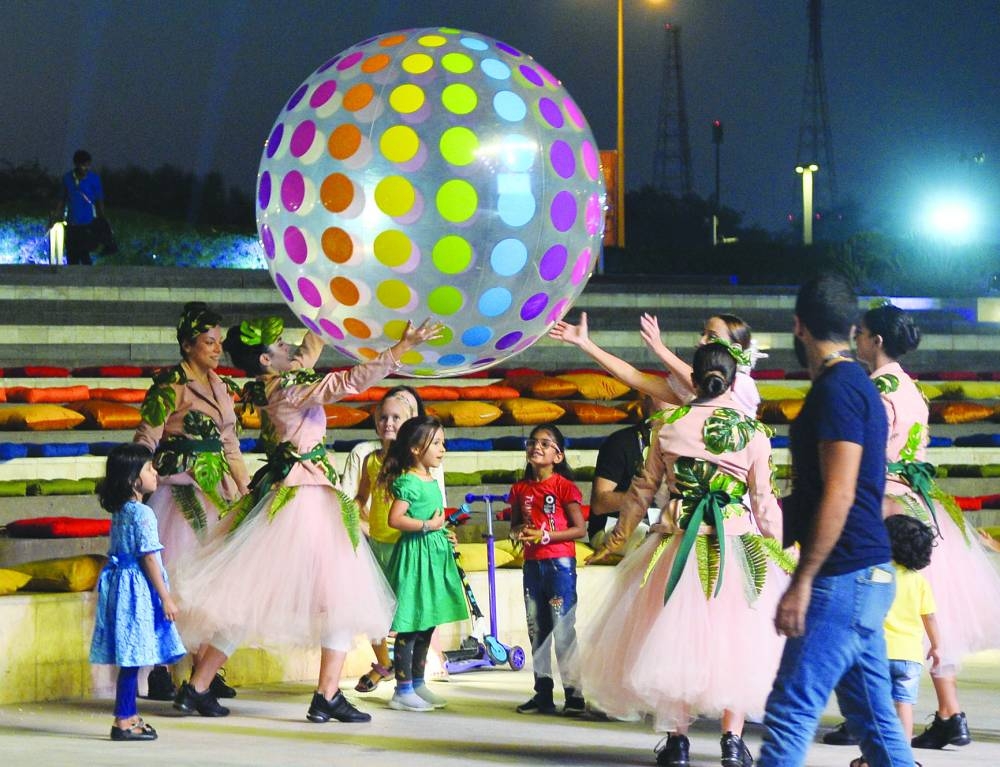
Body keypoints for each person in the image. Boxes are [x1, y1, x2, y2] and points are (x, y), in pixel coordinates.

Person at [170, 316, 441, 722]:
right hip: (307, 499)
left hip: (287, 495)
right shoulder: (292, 390)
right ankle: (326, 695)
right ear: (266, 358)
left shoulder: (273, 383)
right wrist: (400, 350)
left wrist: (322, 307)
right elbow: (346, 382)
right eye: (280, 344)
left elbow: (309, 350)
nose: (289, 348)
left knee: (251, 597)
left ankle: (197, 687)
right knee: (339, 595)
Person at [585, 341, 789, 767]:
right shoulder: (752, 433)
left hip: (677, 545)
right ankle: (732, 742)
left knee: (672, 643)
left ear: (692, 380)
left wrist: (618, 537)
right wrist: (783, 546)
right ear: (734, 382)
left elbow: (641, 490)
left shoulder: (671, 424)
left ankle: (677, 741)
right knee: (738, 642)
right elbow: (764, 502)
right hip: (733, 545)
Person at [757, 274, 915, 767]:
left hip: (843, 575)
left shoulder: (839, 391)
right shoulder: (852, 385)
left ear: (798, 326)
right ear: (851, 327)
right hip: (866, 574)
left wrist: (804, 580)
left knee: (790, 712)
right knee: (875, 721)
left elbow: (841, 491)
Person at [851, 302, 1000, 750]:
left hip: (885, 499)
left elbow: (870, 450)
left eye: (861, 333)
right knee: (928, 607)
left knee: (879, 603)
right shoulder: (911, 387)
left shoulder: (877, 388)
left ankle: (876, 708)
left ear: (876, 341)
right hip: (916, 499)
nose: (856, 338)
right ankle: (950, 712)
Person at [133, 301, 250, 701]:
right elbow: (148, 435)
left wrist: (245, 487)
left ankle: (204, 667)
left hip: (216, 493)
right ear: (187, 345)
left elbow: (231, 444)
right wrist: (136, 480)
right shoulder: (170, 385)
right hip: (179, 492)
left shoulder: (222, 387)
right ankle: (162, 667)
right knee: (177, 579)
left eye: (219, 342)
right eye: (208, 341)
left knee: (212, 582)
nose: (217, 349)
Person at [347, 386, 446, 694]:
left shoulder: (416, 465)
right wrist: (352, 522)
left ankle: (410, 680)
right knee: (374, 609)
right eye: (383, 417)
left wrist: (435, 530)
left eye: (396, 418)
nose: (388, 423)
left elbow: (433, 506)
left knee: (409, 614)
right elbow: (360, 497)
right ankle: (386, 665)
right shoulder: (371, 461)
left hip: (407, 548)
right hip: (377, 546)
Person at [89, 444, 186, 742]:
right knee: (132, 656)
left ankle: (129, 714)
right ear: (133, 479)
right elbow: (147, 556)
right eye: (148, 468)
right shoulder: (142, 513)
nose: (155, 472)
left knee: (131, 655)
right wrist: (165, 597)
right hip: (136, 588)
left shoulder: (122, 511)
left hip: (119, 584)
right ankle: (122, 720)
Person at [379, 415, 469, 712]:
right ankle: (402, 689)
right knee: (411, 625)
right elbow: (396, 519)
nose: (442, 449)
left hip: (433, 557)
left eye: (443, 443)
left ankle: (418, 683)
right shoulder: (409, 481)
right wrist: (428, 527)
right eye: (436, 443)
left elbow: (436, 519)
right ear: (416, 449)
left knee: (428, 622)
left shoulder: (431, 480)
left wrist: (444, 533)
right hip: (415, 560)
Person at [849, 515, 941, 767]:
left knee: (876, 709)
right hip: (910, 657)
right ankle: (903, 758)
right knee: (904, 707)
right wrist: (936, 645)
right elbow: (929, 617)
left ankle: (871, 758)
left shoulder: (877, 574)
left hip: (878, 654)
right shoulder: (919, 581)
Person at [509, 424, 587, 716]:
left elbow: (579, 529)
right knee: (536, 629)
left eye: (545, 443)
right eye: (532, 442)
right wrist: (521, 532)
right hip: (533, 565)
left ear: (558, 455)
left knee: (563, 628)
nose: (536, 447)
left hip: (559, 565)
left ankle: (574, 693)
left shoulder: (564, 486)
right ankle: (542, 693)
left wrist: (546, 537)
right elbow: (515, 525)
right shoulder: (519, 489)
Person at [549, 311, 762, 418]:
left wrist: (660, 349)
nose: (701, 341)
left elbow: (707, 386)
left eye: (712, 336)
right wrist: (586, 344)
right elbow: (635, 377)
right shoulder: (692, 384)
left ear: (735, 347)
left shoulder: (743, 384)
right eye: (703, 334)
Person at [588, 397, 653, 549]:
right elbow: (599, 503)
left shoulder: (681, 445)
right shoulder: (621, 442)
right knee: (652, 541)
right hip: (613, 527)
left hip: (660, 524)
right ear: (645, 405)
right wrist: (645, 497)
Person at [52, 149, 114, 265]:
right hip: (71, 223)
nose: (86, 168)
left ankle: (87, 280)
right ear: (76, 164)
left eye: (88, 165)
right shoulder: (67, 178)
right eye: (83, 165)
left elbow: (99, 201)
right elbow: (62, 199)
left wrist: (103, 218)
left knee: (84, 253)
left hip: (87, 223)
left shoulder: (94, 179)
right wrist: (56, 215)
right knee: (72, 254)